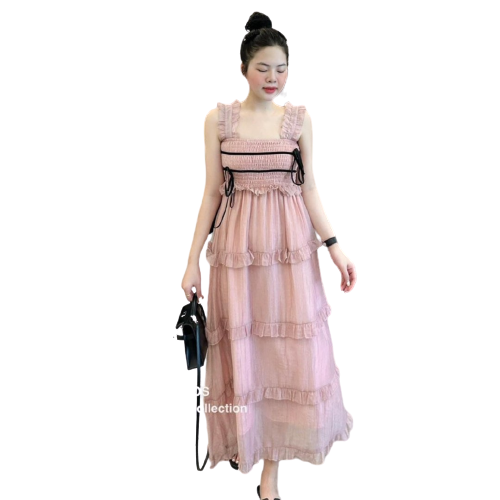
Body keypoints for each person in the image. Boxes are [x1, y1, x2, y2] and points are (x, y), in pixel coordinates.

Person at [181, 11, 356, 500]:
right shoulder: (218, 119)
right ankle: (248, 446)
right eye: (263, 68)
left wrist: (336, 249)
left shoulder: (297, 119)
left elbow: (310, 190)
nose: (273, 77)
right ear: (243, 69)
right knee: (245, 350)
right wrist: (191, 261)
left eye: (281, 69)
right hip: (236, 254)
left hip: (288, 253)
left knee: (284, 355)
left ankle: (271, 470)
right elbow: (211, 193)